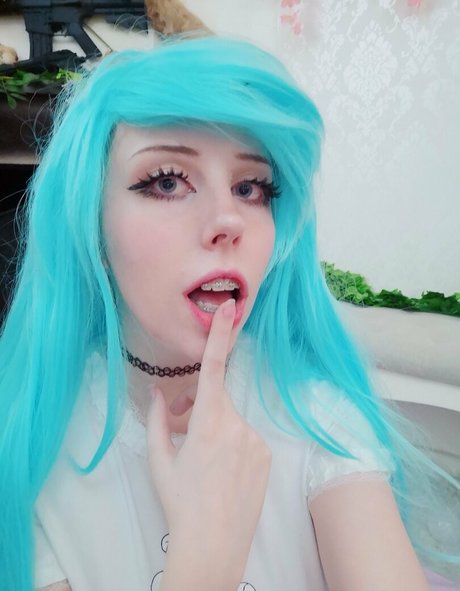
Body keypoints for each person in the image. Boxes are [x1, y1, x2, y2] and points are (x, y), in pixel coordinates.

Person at [0, 36, 458, 591]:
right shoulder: (32, 443)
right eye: (167, 181)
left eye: (250, 187)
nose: (229, 220)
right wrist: (205, 559)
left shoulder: (317, 415)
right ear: (90, 221)